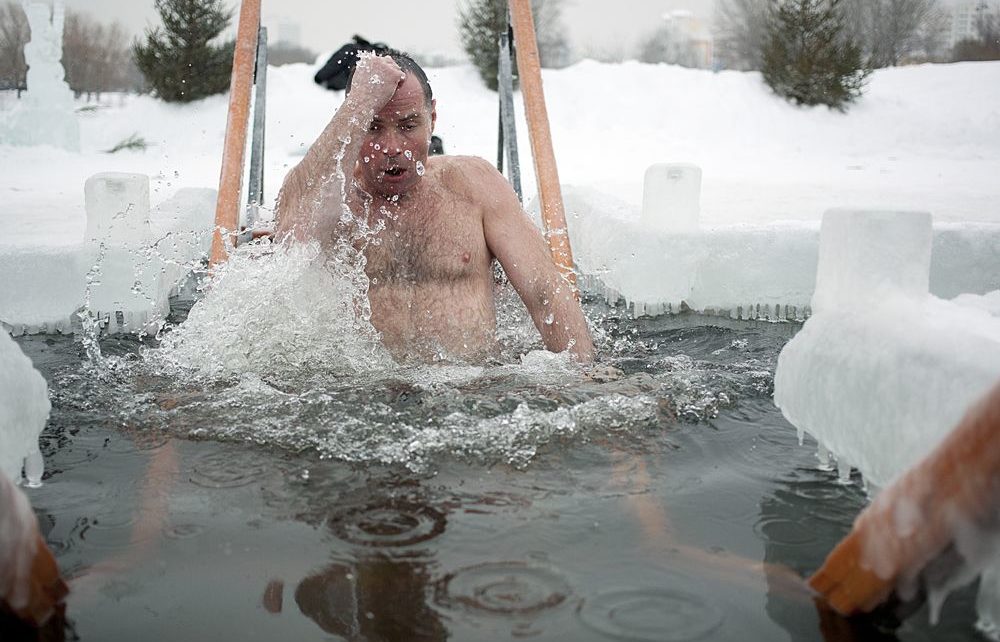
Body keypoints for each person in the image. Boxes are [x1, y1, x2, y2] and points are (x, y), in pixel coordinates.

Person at [276, 51, 595, 364]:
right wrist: (358, 103)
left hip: (469, 393)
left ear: (432, 119)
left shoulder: (474, 185)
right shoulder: (333, 199)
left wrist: (583, 375)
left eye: (408, 125)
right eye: (373, 127)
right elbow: (292, 238)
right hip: (361, 394)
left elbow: (546, 293)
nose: (392, 148)